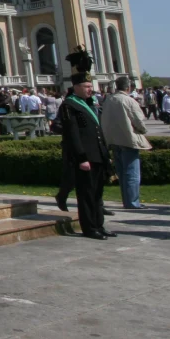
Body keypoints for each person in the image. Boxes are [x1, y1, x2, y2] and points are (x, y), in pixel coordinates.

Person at [58, 47, 114, 240]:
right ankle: (89, 228)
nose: (91, 89)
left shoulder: (90, 105)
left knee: (98, 194)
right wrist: (81, 157)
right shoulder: (70, 106)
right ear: (76, 87)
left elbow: (96, 131)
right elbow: (73, 135)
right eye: (87, 87)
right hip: (85, 158)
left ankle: (99, 224)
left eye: (91, 86)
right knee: (87, 195)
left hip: (98, 155)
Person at [99, 76, 151, 209]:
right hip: (128, 139)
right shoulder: (128, 100)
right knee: (132, 173)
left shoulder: (109, 100)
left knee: (122, 173)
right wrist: (143, 130)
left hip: (114, 139)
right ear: (128, 87)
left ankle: (127, 200)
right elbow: (138, 120)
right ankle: (133, 202)